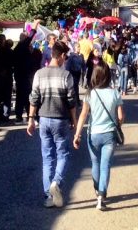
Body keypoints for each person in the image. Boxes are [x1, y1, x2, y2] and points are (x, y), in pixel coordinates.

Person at [27, 40, 79, 209]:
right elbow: (71, 101)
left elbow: (34, 98)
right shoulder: (66, 75)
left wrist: (30, 119)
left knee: (47, 158)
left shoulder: (39, 74)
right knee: (63, 154)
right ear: (62, 56)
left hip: (43, 119)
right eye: (66, 56)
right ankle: (56, 182)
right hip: (61, 119)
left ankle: (49, 196)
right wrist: (74, 120)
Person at [73, 62, 124, 211]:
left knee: (95, 164)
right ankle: (102, 195)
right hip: (109, 134)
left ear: (94, 76)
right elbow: (120, 116)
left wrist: (77, 134)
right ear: (108, 76)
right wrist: (118, 124)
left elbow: (83, 115)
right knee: (105, 165)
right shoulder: (115, 93)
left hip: (93, 134)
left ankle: (97, 191)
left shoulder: (90, 93)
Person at [13, 31, 37, 123]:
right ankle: (27, 115)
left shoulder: (18, 48)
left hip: (21, 75)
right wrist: (34, 29)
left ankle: (20, 116)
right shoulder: (22, 47)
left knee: (21, 96)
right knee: (26, 96)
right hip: (24, 75)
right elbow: (29, 38)